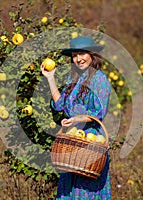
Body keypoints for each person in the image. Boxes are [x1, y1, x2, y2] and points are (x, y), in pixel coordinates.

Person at [41, 36, 112, 199]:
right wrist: (50, 78)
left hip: (90, 141)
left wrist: (77, 119)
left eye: (82, 54)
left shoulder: (99, 79)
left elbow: (99, 112)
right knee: (69, 189)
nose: (78, 59)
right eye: (74, 55)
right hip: (71, 141)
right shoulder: (73, 79)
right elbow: (61, 105)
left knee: (86, 190)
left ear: (92, 55)